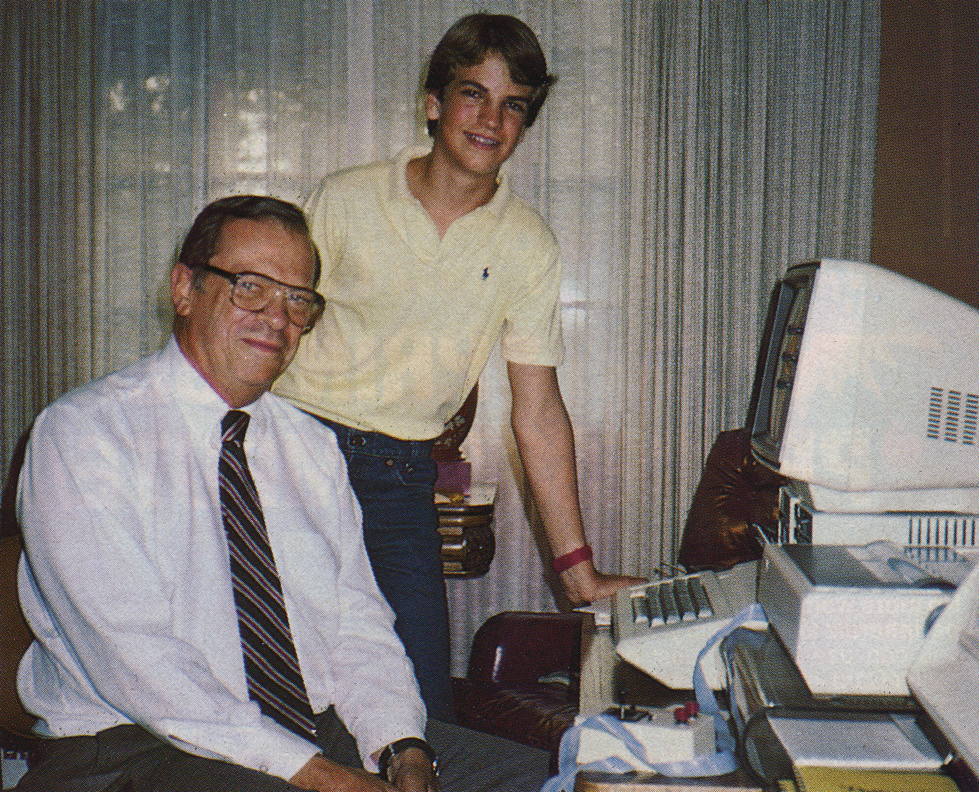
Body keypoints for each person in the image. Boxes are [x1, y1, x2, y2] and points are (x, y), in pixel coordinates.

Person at [13, 195, 550, 792]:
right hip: (133, 745)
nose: (278, 318)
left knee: (537, 778)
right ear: (184, 289)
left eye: (298, 300)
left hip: (310, 730)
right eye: (251, 288)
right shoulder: (83, 434)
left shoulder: (310, 448)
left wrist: (405, 749)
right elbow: (139, 663)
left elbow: (359, 629)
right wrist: (325, 778)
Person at [273, 12, 643, 722]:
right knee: (280, 693)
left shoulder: (527, 244)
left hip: (397, 480)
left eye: (514, 106)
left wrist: (577, 570)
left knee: (418, 714)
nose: (491, 119)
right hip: (291, 454)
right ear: (433, 103)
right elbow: (266, 334)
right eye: (473, 93)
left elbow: (536, 411)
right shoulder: (343, 198)